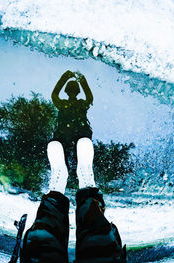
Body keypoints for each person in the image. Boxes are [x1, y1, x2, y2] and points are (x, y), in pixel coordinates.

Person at [21, 71, 126, 262]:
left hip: (75, 130)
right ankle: (86, 187)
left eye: (73, 89)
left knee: (43, 240)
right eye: (73, 89)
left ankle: (57, 188)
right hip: (67, 131)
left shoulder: (79, 103)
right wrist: (75, 79)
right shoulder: (67, 103)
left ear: (75, 92)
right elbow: (57, 95)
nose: (72, 92)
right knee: (99, 239)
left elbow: (83, 97)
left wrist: (73, 79)